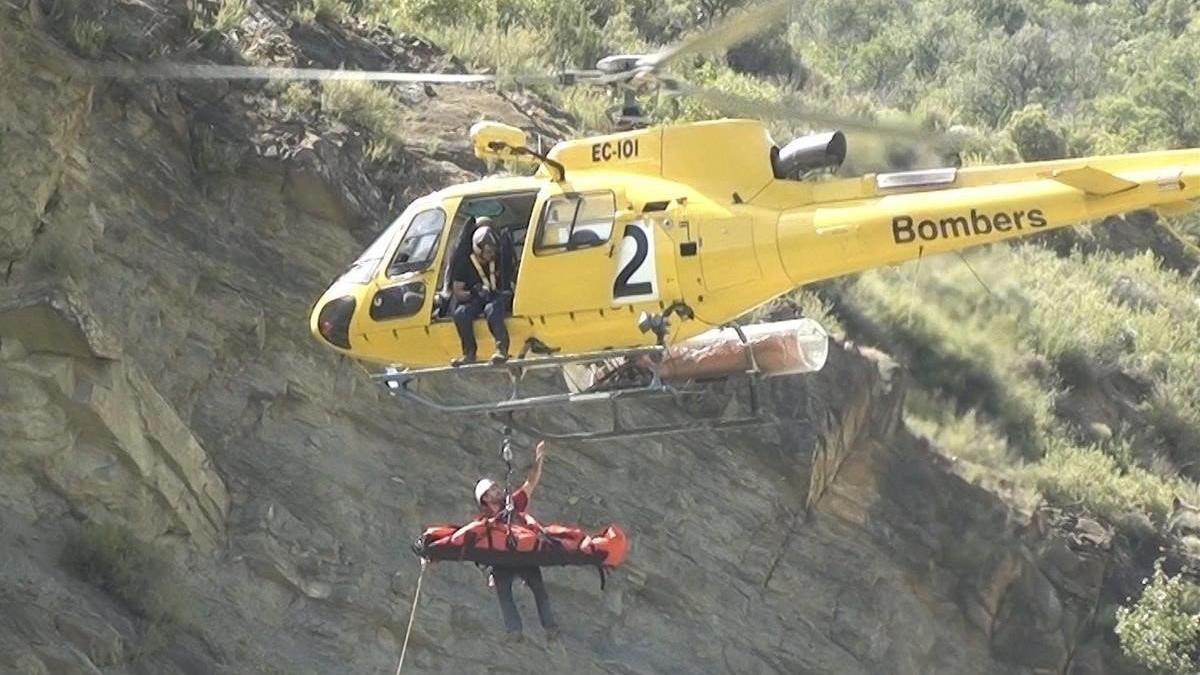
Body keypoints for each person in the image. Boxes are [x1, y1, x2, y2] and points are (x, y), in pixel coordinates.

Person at [473, 440, 559, 642]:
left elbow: (530, 484)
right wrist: (488, 572)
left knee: (539, 589)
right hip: (501, 559)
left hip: (521, 553)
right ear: (485, 499)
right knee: (504, 595)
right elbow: (478, 548)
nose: (497, 491)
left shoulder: (512, 504)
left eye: (495, 488)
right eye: (492, 490)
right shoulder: (484, 522)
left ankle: (550, 626)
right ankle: (514, 631)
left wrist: (539, 458)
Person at [450, 218, 511, 367]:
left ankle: (501, 350)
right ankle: (469, 353)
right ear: (478, 249)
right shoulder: (464, 263)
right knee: (461, 314)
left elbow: (509, 279)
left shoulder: (500, 259)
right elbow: (458, 291)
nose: (492, 255)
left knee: (492, 310)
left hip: (497, 295)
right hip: (476, 297)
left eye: (493, 251)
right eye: (489, 251)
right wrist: (474, 293)